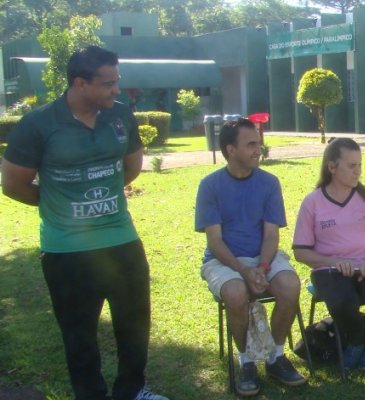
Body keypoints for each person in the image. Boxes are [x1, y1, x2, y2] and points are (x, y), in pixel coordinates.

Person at [0, 46, 167, 400]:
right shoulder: (38, 124)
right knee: (79, 336)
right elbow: (13, 184)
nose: (116, 90)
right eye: (108, 84)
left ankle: (133, 391)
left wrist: (99, 197)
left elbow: (131, 165)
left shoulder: (120, 115)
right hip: (66, 250)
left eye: (116, 81)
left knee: (134, 326)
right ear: (80, 83)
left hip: (121, 240)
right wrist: (61, 205)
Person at [194, 118, 306, 396]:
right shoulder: (210, 185)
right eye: (251, 144)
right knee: (235, 293)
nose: (259, 149)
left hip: (263, 256)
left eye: (259, 142)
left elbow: (271, 235)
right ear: (231, 150)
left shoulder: (269, 183)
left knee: (291, 285)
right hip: (223, 260)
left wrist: (263, 266)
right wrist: (244, 272)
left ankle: (275, 356)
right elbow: (215, 241)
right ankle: (246, 361)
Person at [292, 138, 365, 371]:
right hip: (330, 271)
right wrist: (335, 262)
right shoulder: (313, 203)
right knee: (344, 302)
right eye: (351, 166)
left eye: (360, 165)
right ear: (332, 167)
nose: (358, 171)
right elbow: (301, 252)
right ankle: (357, 339)